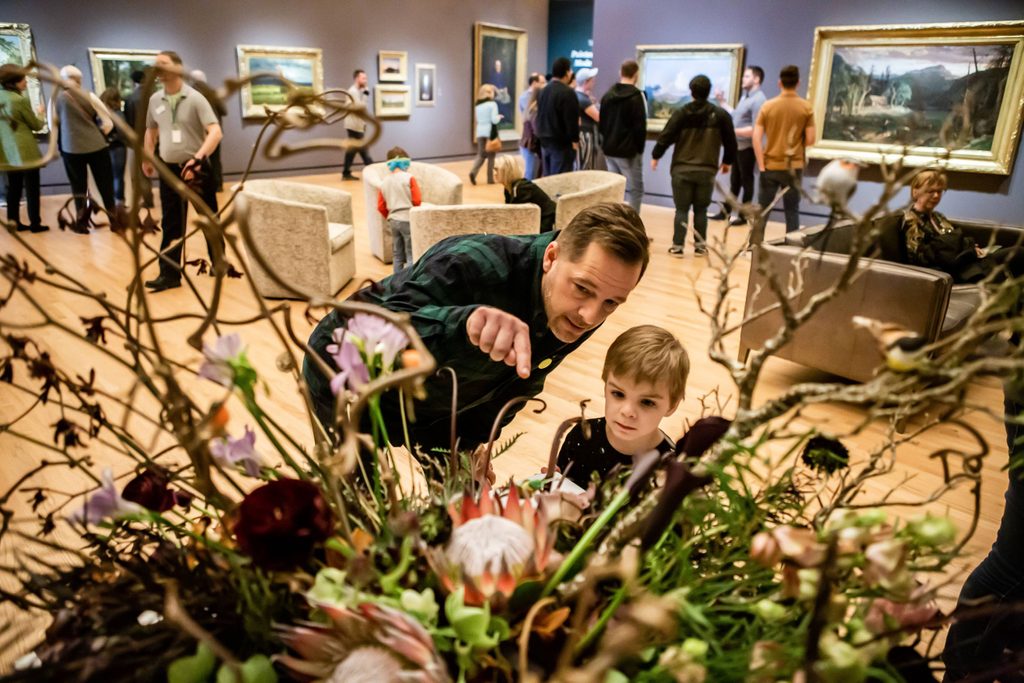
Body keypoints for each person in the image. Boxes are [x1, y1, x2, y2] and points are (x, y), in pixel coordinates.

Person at [303, 202, 650, 454]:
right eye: (583, 289)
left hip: (439, 406)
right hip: (348, 374)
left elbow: (519, 381)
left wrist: (473, 445)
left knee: (458, 509)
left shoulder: (580, 308)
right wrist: (462, 325)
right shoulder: (470, 261)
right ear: (552, 257)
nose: (590, 316)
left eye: (611, 303)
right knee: (362, 512)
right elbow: (369, 332)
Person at [556, 325, 688, 489]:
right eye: (618, 394)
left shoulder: (668, 467)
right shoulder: (581, 436)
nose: (627, 411)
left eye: (647, 402)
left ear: (672, 405)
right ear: (605, 387)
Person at [142, 50, 224, 293]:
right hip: (169, 170)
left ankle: (219, 264)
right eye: (156, 65)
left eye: (164, 63)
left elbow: (215, 132)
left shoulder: (196, 98)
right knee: (171, 223)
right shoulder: (155, 100)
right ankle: (169, 274)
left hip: (196, 169)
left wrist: (198, 160)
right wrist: (148, 157)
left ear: (178, 67)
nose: (159, 68)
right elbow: (151, 131)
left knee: (209, 218)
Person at [651, 75, 736, 257]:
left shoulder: (681, 113)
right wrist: (727, 162)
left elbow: (666, 136)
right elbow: (731, 142)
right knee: (701, 209)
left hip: (681, 169)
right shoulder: (720, 115)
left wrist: (655, 156)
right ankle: (700, 246)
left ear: (691, 91)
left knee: (681, 209)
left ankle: (677, 246)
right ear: (709, 91)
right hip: (707, 170)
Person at [897, 169, 1023, 284]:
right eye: (930, 191)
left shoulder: (938, 217)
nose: (936, 196)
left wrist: (970, 248)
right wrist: (961, 251)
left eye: (939, 191)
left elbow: (954, 240)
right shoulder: (910, 221)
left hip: (969, 262)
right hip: (954, 272)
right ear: (915, 192)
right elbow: (919, 260)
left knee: (1018, 252)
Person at [752, 65, 815, 243]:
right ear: (798, 83)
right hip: (794, 167)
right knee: (792, 210)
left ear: (779, 82)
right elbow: (810, 139)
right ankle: (791, 248)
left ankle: (753, 247)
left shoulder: (768, 106)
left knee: (763, 210)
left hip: (770, 165)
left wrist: (761, 164)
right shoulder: (806, 108)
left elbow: (756, 137)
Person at [51, 65, 117, 233]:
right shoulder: (90, 95)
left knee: (78, 187)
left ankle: (81, 223)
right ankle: (114, 221)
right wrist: (97, 134)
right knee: (105, 185)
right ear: (79, 80)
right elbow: (108, 122)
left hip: (71, 148)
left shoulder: (56, 99)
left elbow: (53, 127)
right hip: (97, 147)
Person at [711, 65, 766, 226]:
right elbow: (736, 115)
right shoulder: (745, 97)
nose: (743, 79)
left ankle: (744, 216)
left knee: (747, 181)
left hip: (748, 148)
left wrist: (732, 131)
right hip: (738, 146)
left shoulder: (759, 100)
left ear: (757, 79)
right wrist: (722, 101)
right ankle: (726, 212)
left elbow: (756, 128)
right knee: (735, 182)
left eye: (747, 76)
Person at [0, 64, 47, 232]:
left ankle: (14, 223)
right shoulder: (19, 100)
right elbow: (36, 125)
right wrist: (41, 112)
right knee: (32, 189)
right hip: (25, 150)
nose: (26, 82)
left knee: (13, 189)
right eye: (23, 79)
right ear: (14, 82)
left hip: (7, 151)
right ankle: (35, 223)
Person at [600, 59, 648, 213]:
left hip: (609, 149)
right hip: (629, 151)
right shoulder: (637, 96)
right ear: (636, 75)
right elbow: (640, 126)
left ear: (620, 73)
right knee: (636, 190)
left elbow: (602, 124)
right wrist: (639, 149)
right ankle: (633, 228)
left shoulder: (607, 96)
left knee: (615, 190)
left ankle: (614, 226)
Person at [377, 146, 422, 273]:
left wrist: (391, 215)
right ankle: (409, 282)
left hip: (393, 220)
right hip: (408, 219)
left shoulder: (384, 182)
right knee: (411, 253)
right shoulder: (409, 178)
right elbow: (417, 200)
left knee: (397, 254)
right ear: (406, 162)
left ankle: (396, 282)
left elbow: (380, 206)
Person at [535, 57, 579, 176]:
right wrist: (575, 141)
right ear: (566, 72)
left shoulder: (543, 91)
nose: (571, 73)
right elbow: (571, 120)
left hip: (544, 142)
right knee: (560, 182)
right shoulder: (567, 92)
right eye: (570, 71)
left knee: (547, 179)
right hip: (561, 144)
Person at [495, 154, 556, 233]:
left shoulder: (521, 188)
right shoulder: (508, 188)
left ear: (506, 172)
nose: (494, 173)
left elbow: (521, 216)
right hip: (535, 221)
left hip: (545, 223)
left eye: (497, 170)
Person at [190, 70, 227, 192]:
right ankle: (218, 185)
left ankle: (200, 186)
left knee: (198, 158)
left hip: (197, 131)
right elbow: (224, 111)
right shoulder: (213, 92)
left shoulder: (189, 93)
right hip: (214, 130)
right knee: (216, 159)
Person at [123, 69, 153, 208]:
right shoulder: (155, 96)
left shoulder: (130, 99)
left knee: (141, 171)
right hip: (158, 138)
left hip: (140, 140)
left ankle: (148, 199)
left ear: (133, 81)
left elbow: (128, 123)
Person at [342, 69, 373, 181]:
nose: (365, 80)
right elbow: (361, 108)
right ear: (357, 78)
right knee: (363, 150)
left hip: (356, 125)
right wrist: (366, 94)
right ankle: (373, 170)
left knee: (352, 150)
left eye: (366, 78)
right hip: (354, 125)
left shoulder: (356, 91)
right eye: (363, 78)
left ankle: (346, 172)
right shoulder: (353, 92)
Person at [99, 87, 127, 207]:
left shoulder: (104, 114)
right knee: (117, 177)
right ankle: (119, 202)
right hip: (117, 147)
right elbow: (123, 132)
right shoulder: (118, 114)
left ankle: (114, 203)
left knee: (111, 177)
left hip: (109, 147)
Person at [469, 84, 502, 186]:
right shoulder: (492, 104)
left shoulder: (478, 105)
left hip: (480, 132)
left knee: (481, 154)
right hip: (489, 132)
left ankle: (473, 172)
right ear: (489, 93)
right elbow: (493, 119)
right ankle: (490, 179)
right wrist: (499, 117)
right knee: (491, 156)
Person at [519, 73, 545, 180]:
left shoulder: (529, 109)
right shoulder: (534, 111)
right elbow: (536, 130)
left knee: (530, 172)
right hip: (530, 144)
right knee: (529, 173)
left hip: (528, 143)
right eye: (542, 82)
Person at [575, 67, 600, 171]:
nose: (594, 82)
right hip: (585, 136)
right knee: (586, 167)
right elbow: (598, 117)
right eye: (592, 80)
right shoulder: (583, 99)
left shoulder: (576, 95)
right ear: (586, 82)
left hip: (580, 134)